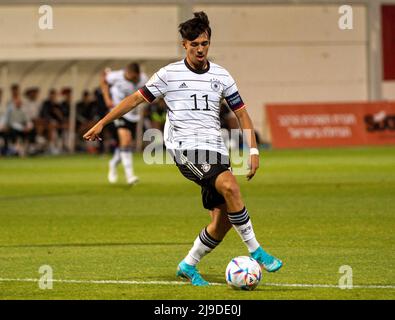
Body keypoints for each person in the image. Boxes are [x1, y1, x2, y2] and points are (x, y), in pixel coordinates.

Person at [84, 11, 282, 286]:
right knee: (231, 187)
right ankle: (256, 251)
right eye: (194, 44)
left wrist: (254, 151)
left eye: (204, 43)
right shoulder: (169, 74)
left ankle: (188, 265)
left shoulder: (222, 76)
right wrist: (102, 123)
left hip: (215, 150)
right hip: (184, 148)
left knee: (223, 219)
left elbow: (242, 114)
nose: (200, 49)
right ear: (184, 45)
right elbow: (134, 100)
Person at [100, 62, 148, 185]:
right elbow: (103, 78)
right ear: (128, 73)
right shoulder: (116, 76)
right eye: (132, 77)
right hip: (117, 112)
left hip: (133, 115)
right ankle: (130, 176)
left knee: (125, 143)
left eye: (136, 78)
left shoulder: (143, 78)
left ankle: (113, 163)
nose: (134, 80)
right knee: (125, 140)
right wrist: (107, 98)